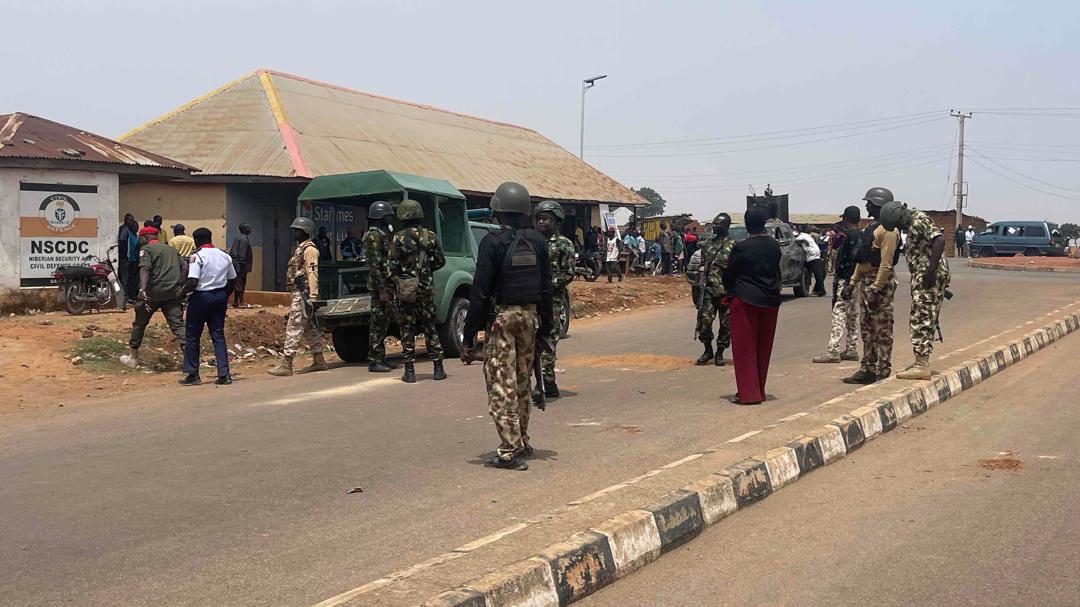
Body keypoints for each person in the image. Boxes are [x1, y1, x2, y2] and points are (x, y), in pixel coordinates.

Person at [462, 182, 553, 471]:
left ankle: (508, 452)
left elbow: (479, 293)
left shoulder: (491, 242)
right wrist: (547, 329)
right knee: (523, 383)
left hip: (502, 320)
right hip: (530, 318)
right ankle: (522, 441)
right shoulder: (538, 241)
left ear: (497, 211)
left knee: (503, 386)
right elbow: (547, 288)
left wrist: (468, 337)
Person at [880, 202, 951, 380]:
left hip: (928, 277)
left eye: (898, 224)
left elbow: (939, 240)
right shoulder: (914, 222)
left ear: (901, 216)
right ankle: (921, 361)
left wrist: (931, 270)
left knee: (921, 317)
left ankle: (922, 365)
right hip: (925, 275)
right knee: (925, 315)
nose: (900, 227)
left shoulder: (919, 220)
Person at [722, 207, 782, 405]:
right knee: (763, 348)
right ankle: (759, 390)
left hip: (745, 300)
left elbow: (730, 274)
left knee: (745, 348)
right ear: (764, 222)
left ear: (747, 223)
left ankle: (749, 393)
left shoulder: (742, 247)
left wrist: (729, 291)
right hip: (770, 300)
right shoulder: (774, 245)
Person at [843, 187, 901, 384]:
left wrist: (876, 288)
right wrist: (852, 283)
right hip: (867, 282)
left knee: (882, 329)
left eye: (869, 202)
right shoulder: (871, 228)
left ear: (878, 205)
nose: (866, 205)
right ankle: (867, 368)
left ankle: (883, 369)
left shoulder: (889, 231)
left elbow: (886, 263)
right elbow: (863, 259)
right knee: (867, 329)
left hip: (880, 284)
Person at [389, 200, 447, 383]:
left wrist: (402, 278)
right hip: (425, 288)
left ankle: (410, 371)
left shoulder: (397, 238)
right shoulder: (430, 236)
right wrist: (425, 271)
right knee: (430, 327)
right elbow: (440, 261)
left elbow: (392, 266)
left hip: (406, 290)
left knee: (407, 328)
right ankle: (438, 368)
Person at [268, 217, 328, 377]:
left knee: (294, 327)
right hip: (299, 293)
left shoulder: (309, 250)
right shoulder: (300, 248)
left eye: (297, 230)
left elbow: (312, 272)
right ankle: (319, 360)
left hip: (303, 294)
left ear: (304, 231)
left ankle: (287, 364)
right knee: (309, 329)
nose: (294, 232)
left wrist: (313, 296)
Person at [180, 228, 236, 386]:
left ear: (196, 240)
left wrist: (181, 294)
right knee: (218, 335)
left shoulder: (197, 257)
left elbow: (192, 281)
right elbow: (233, 280)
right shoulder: (225, 256)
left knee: (192, 335)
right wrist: (224, 294)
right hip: (220, 297)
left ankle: (192, 374)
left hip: (201, 297)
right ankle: (224, 374)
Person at [534, 200, 574, 399]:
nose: (541, 222)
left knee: (548, 341)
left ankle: (546, 382)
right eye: (539, 219)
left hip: (553, 302)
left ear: (556, 221)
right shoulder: (530, 241)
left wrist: (549, 284)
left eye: (546, 219)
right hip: (530, 300)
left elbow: (569, 273)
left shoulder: (564, 244)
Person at [127, 226, 185, 363]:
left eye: (140, 238)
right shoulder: (172, 250)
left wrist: (142, 289)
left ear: (145, 237)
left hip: (152, 294)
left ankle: (133, 356)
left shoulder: (146, 249)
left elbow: (145, 268)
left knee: (140, 324)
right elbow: (185, 267)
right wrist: (180, 283)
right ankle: (191, 357)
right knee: (178, 325)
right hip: (172, 293)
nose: (139, 240)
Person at [813, 207, 863, 363]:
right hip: (857, 280)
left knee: (839, 313)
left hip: (846, 281)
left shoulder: (846, 237)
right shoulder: (863, 236)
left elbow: (842, 261)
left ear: (846, 219)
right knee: (853, 314)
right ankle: (852, 348)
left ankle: (833, 350)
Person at [695, 213, 735, 366]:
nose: (715, 226)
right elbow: (703, 266)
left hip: (726, 292)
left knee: (726, 325)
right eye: (714, 223)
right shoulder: (707, 244)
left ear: (726, 226)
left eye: (718, 223)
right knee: (704, 321)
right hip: (709, 290)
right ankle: (707, 350)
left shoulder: (733, 245)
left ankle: (719, 353)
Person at [363, 202, 396, 372]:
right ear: (381, 216)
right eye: (388, 215)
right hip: (379, 286)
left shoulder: (381, 234)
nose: (391, 218)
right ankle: (375, 360)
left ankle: (380, 358)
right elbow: (376, 265)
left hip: (384, 284)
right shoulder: (374, 236)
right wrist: (382, 289)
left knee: (383, 323)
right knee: (377, 323)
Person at [794, 228, 827, 296]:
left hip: (816, 257)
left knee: (823, 273)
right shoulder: (802, 236)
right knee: (819, 275)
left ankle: (816, 290)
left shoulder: (808, 236)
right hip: (812, 258)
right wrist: (802, 240)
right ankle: (821, 290)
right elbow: (796, 240)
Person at [228, 223, 253, 308]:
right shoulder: (244, 240)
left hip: (235, 264)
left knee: (237, 283)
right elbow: (242, 253)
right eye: (248, 228)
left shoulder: (238, 238)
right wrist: (243, 264)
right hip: (240, 265)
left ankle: (236, 301)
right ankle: (241, 302)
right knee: (240, 283)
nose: (250, 229)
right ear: (244, 229)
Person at [120, 214, 140, 302]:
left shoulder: (134, 234)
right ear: (125, 220)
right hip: (126, 259)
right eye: (130, 220)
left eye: (132, 220)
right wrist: (124, 257)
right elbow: (122, 243)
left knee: (131, 279)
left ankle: (130, 296)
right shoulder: (125, 230)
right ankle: (123, 298)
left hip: (133, 260)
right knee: (125, 279)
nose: (131, 222)